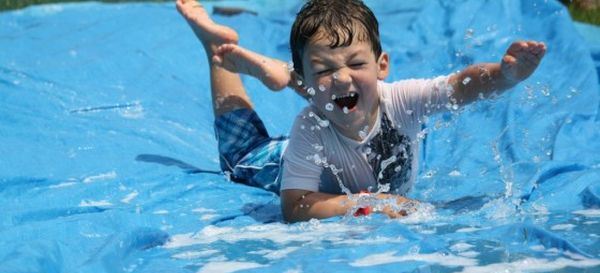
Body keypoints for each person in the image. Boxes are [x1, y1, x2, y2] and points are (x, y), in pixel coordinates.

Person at [176, 0, 546, 223]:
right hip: (280, 162)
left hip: (323, 106)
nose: (341, 76)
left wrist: (505, 74)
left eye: (357, 62)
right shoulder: (309, 126)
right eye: (322, 68)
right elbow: (295, 206)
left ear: (382, 65)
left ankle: (284, 73)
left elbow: (461, 86)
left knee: (332, 91)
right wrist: (371, 202)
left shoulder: (402, 99)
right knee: (238, 152)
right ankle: (218, 51)